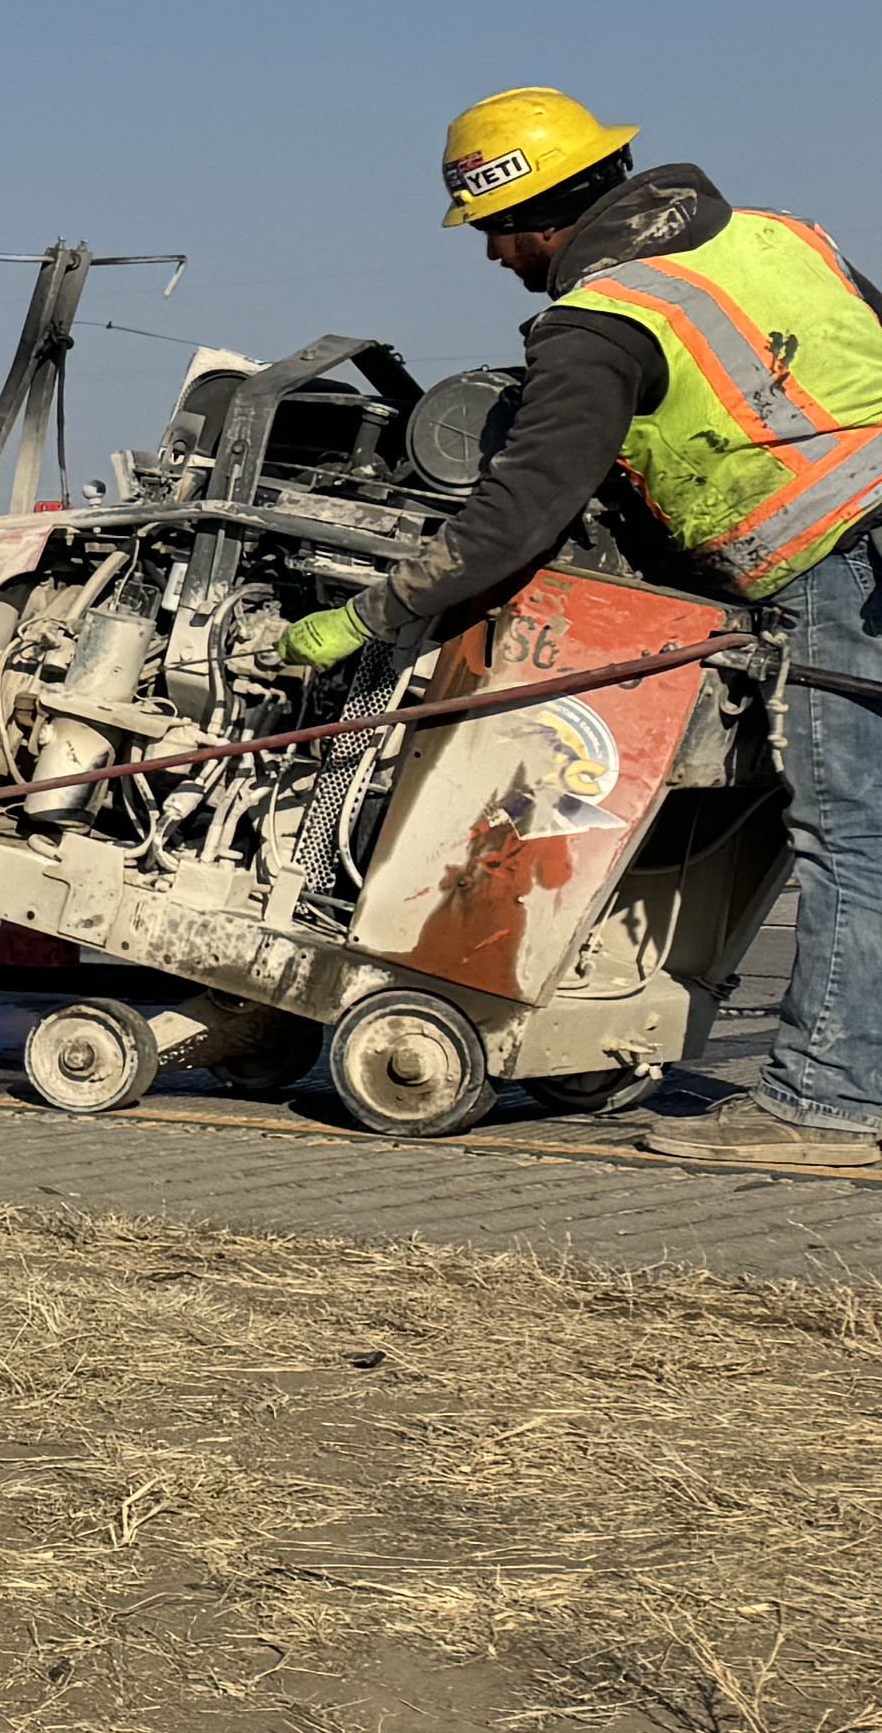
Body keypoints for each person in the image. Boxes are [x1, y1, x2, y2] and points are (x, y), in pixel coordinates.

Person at [282, 89, 882, 1164]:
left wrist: (370, 614)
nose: (494, 259)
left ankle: (830, 1107)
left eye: (493, 233)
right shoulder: (778, 237)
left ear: (537, 217)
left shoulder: (602, 321)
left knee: (853, 839)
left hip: (846, 568)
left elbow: (519, 513)